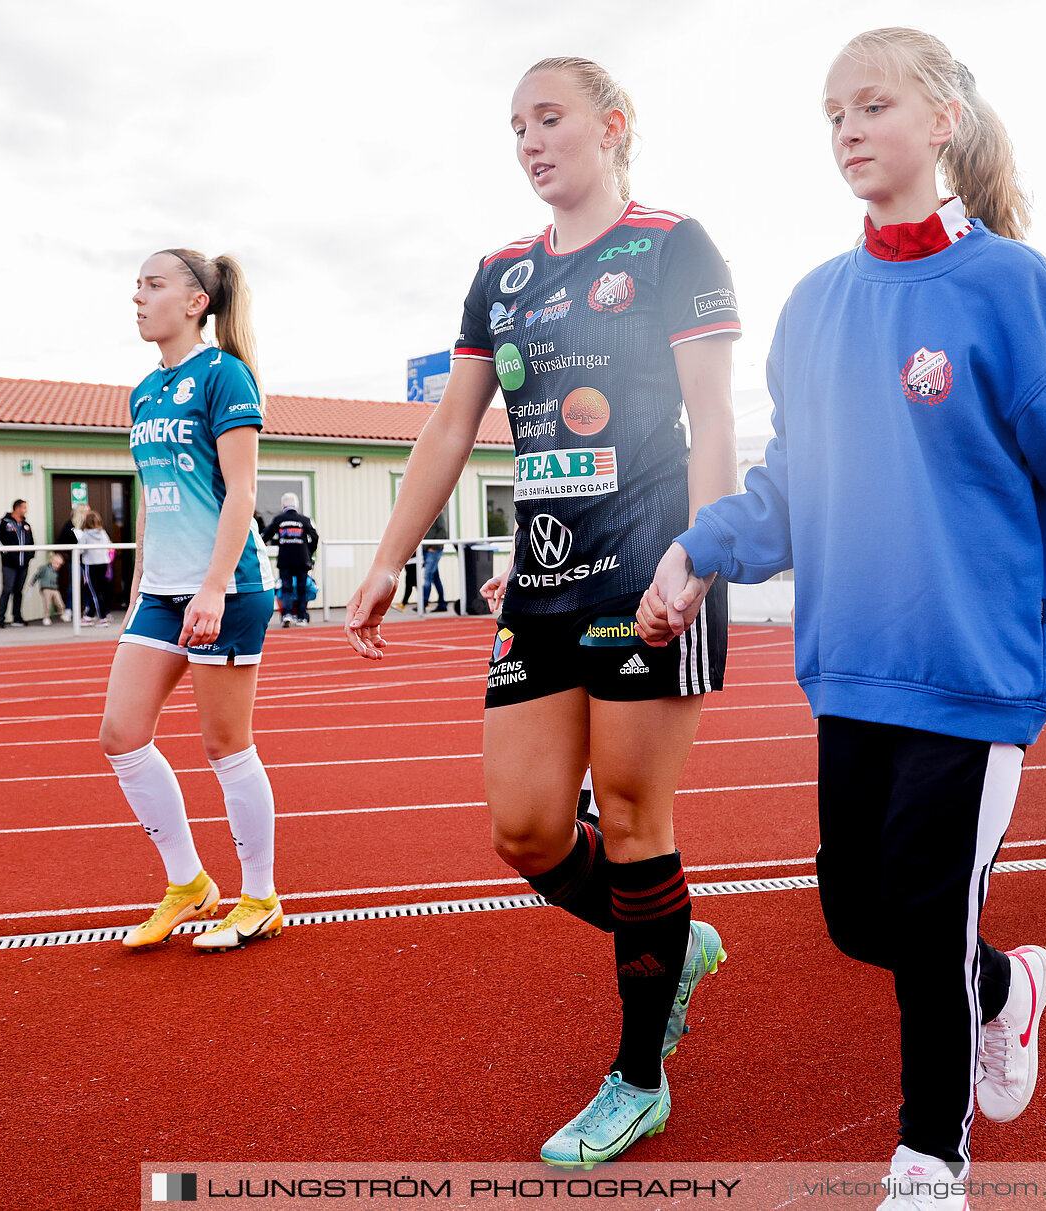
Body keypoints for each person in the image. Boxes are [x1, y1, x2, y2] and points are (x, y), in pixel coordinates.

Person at [640, 29, 1046, 1202]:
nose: (849, 131)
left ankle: (930, 1155)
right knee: (857, 916)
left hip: (977, 670)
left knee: (922, 909)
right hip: (852, 662)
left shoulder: (1011, 287)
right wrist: (699, 545)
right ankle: (1000, 986)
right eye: (833, 114)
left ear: (943, 123)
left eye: (873, 105)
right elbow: (794, 484)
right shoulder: (816, 303)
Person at [343, 56, 739, 1168]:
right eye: (516, 124)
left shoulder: (672, 245)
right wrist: (387, 557)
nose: (529, 139)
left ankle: (638, 1077)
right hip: (544, 580)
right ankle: (672, 937)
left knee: (631, 816)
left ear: (612, 127)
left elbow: (716, 416)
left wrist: (702, 555)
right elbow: (450, 430)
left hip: (655, 573)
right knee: (523, 824)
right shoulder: (499, 275)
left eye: (550, 117)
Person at [100, 247, 282, 954]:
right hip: (160, 593)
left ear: (195, 301)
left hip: (227, 587)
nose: (138, 298)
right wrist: (141, 587)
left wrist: (211, 586)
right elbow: (154, 500)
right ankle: (188, 883)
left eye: (152, 285)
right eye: (135, 286)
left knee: (224, 744)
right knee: (121, 734)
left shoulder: (224, 374)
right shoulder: (144, 391)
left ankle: (260, 895)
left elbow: (241, 491)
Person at [263, 492, 318, 627]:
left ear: (283, 505)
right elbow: (315, 537)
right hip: (302, 560)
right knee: (302, 588)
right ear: (296, 505)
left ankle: (287, 615)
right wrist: (309, 552)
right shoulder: (305, 519)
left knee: (286, 587)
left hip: (285, 560)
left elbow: (265, 535)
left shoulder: (279, 519)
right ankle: (301, 617)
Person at [0, 499, 34, 627]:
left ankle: (17, 617)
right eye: (24, 508)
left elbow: (31, 542)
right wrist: (6, 553)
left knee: (18, 590)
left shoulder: (26, 525)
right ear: (17, 508)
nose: (26, 510)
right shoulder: (3, 522)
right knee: (7, 589)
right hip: (9, 564)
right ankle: (1, 618)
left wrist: (29, 555)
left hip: (23, 564)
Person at [78, 509, 117, 627]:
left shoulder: (85, 534)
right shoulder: (103, 533)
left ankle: (103, 617)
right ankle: (91, 615)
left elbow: (80, 549)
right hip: (103, 564)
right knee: (100, 590)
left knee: (94, 591)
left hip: (91, 565)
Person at [419, 509, 452, 614]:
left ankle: (423, 604)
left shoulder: (437, 511)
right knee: (435, 578)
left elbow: (443, 530)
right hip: (424, 549)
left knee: (427, 576)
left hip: (433, 550)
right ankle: (442, 603)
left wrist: (434, 547)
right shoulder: (422, 514)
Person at [31, 552, 67, 624]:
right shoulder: (44, 568)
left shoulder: (56, 571)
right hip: (46, 588)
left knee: (59, 602)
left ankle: (63, 613)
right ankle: (46, 617)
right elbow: (37, 575)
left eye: (59, 565)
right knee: (47, 603)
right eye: (56, 564)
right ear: (51, 561)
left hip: (54, 588)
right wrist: (33, 582)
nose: (57, 566)